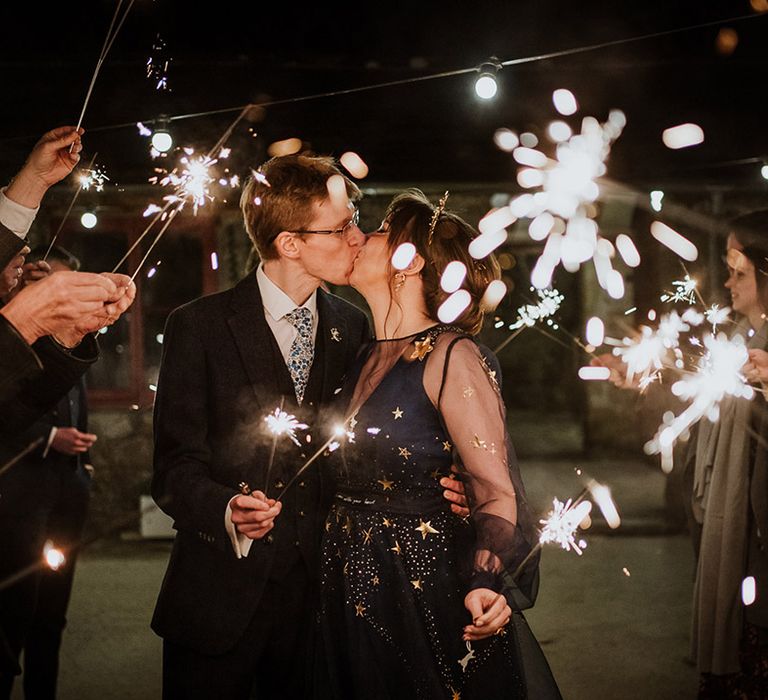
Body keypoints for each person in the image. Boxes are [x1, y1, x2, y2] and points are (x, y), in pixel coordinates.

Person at [151, 154, 469, 700]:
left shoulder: (354, 327)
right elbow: (174, 468)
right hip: (217, 599)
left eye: (356, 220)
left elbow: (380, 439)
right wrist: (226, 508)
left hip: (322, 604)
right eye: (342, 225)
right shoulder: (197, 326)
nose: (358, 236)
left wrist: (447, 479)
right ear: (290, 243)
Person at [314, 189, 560, 699]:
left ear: (411, 261)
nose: (360, 237)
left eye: (379, 230)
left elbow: (495, 491)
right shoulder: (361, 354)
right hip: (347, 580)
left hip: (418, 585)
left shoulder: (452, 356)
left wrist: (486, 585)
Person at [593, 210, 768, 698]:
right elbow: (694, 394)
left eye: (740, 273)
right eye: (728, 270)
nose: (728, 283)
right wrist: (639, 375)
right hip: (722, 514)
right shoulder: (735, 335)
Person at [0, 245, 97, 700]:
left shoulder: (70, 335)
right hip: (20, 492)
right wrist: (49, 435)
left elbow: (78, 403)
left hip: (70, 486)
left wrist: (84, 461)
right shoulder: (15, 339)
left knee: (54, 613)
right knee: (17, 607)